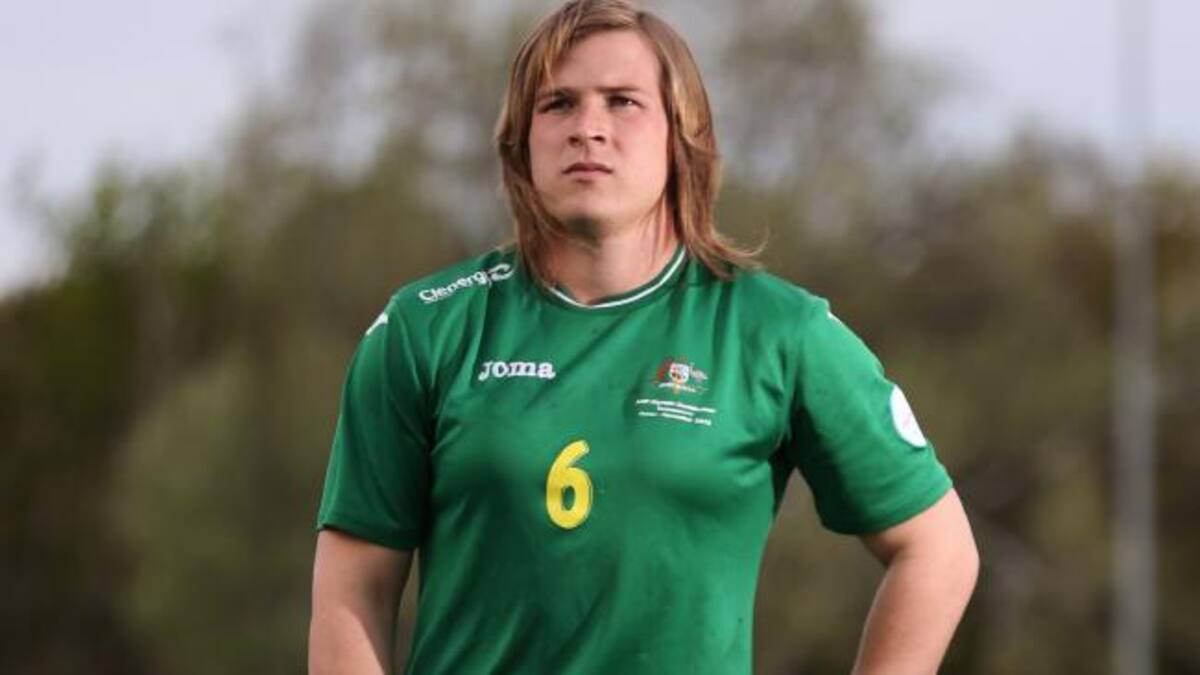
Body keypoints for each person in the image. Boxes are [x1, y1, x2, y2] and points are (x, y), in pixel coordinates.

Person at [308, 0, 979, 673]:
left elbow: (938, 549)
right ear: (520, 141)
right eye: (558, 104)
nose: (588, 128)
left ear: (681, 137)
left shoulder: (778, 332)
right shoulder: (424, 327)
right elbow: (352, 591)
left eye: (622, 102)